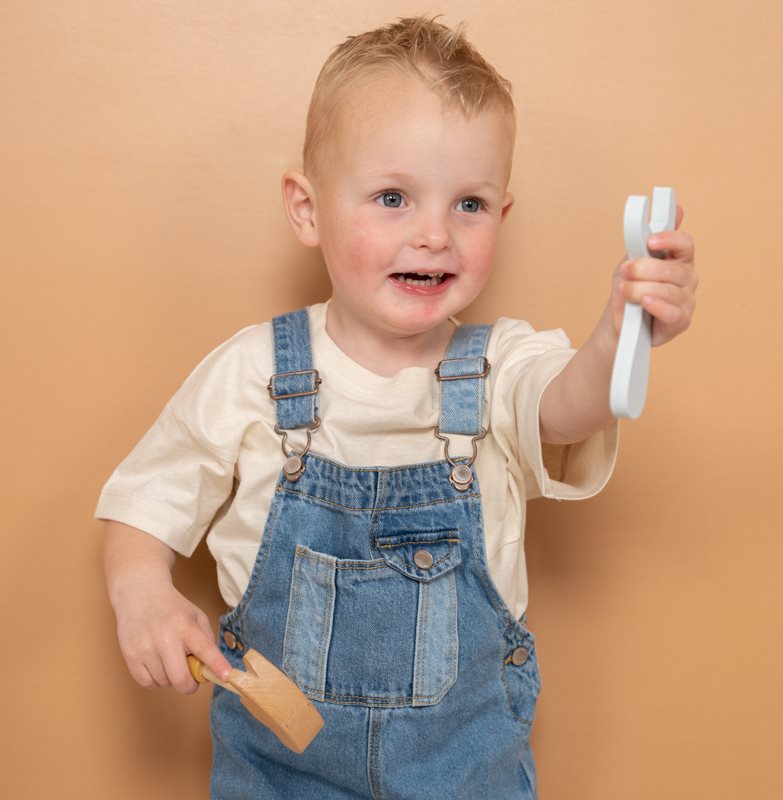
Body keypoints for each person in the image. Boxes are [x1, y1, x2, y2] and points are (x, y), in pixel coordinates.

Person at [98, 16, 697, 799]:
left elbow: (563, 407)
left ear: (502, 218)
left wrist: (621, 335)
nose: (434, 234)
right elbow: (144, 502)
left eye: (469, 204)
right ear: (307, 208)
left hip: (465, 770)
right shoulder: (252, 373)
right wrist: (141, 591)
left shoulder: (498, 366)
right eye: (393, 197)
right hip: (281, 770)